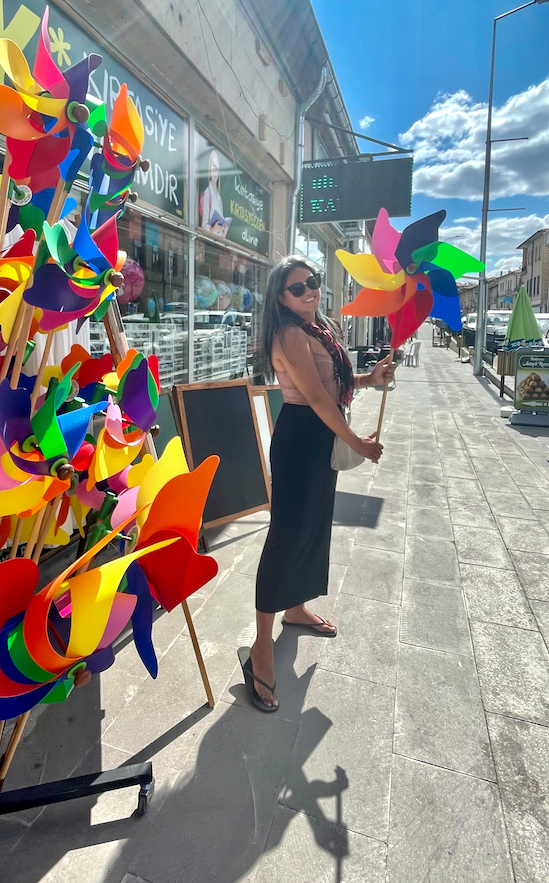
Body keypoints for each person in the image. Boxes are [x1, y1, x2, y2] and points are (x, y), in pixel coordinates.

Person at [238, 257, 395, 712]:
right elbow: (315, 398)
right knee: (286, 537)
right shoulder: (288, 333)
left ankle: (295, 607)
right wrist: (358, 443)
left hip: (320, 436)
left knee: (313, 527)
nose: (310, 290)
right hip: (301, 440)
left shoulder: (321, 327)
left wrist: (371, 378)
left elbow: (336, 385)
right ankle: (262, 644)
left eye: (314, 282)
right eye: (298, 287)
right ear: (281, 298)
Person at [199, 148, 231, 236]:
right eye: (212, 167)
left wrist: (224, 230)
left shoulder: (219, 198)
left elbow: (220, 234)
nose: (214, 171)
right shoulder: (207, 193)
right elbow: (204, 224)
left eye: (216, 169)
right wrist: (212, 229)